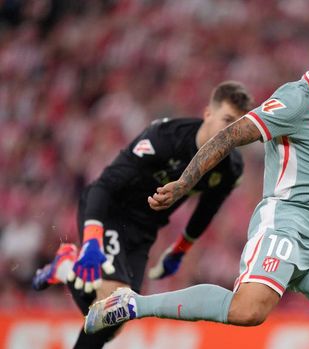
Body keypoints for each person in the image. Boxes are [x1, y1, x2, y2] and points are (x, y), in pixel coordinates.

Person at [83, 30, 309, 349]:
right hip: (284, 223)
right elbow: (230, 134)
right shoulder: (293, 101)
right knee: (247, 312)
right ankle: (131, 304)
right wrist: (184, 183)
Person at [32, 81, 253, 348]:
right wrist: (92, 240)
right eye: (227, 120)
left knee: (115, 320)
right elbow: (104, 187)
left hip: (144, 230)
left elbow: (208, 208)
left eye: (238, 127)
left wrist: (181, 248)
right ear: (208, 113)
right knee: (111, 305)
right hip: (112, 211)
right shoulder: (163, 138)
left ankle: (68, 268)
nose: (231, 132)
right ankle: (72, 265)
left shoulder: (231, 168)